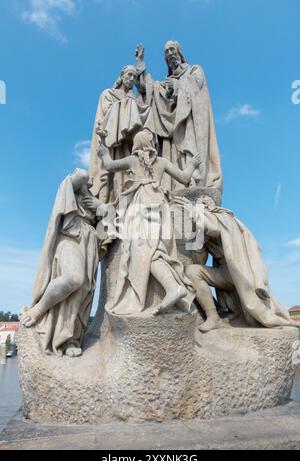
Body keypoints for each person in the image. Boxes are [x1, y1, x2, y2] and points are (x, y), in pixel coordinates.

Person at [98, 129, 201, 315]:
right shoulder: (161, 162)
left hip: (142, 208)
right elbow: (185, 178)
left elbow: (107, 164)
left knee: (145, 252)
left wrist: (103, 141)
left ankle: (173, 288)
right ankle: (173, 288)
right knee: (154, 251)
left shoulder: (132, 160)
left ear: (137, 143)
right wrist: (192, 165)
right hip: (159, 207)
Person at [173, 195, 299, 331]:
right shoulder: (202, 229)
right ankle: (213, 317)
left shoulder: (224, 217)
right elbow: (199, 257)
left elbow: (214, 229)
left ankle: (279, 319)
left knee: (262, 311)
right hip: (226, 272)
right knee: (192, 271)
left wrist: (194, 212)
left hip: (241, 271)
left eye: (201, 206)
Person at [21, 169, 110, 357]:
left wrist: (100, 205)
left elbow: (110, 220)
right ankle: (39, 310)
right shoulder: (71, 187)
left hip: (89, 243)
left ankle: (69, 339)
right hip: (70, 236)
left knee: (82, 292)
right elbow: (80, 177)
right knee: (73, 278)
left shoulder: (91, 200)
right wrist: (88, 177)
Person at [135, 41, 223, 195]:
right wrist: (140, 63)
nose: (169, 54)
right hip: (172, 129)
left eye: (172, 50)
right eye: (166, 52)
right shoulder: (166, 81)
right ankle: (175, 186)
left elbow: (198, 86)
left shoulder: (194, 70)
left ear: (179, 53)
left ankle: (194, 180)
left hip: (189, 122)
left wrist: (177, 86)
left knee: (189, 147)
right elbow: (147, 89)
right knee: (172, 153)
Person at [89, 65, 155, 204]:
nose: (132, 79)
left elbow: (144, 112)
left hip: (128, 145)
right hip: (111, 141)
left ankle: (127, 203)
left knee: (126, 174)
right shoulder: (108, 93)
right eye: (129, 75)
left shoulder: (134, 99)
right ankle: (109, 206)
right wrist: (127, 103)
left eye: (135, 77)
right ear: (122, 76)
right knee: (112, 176)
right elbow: (105, 115)